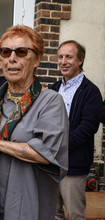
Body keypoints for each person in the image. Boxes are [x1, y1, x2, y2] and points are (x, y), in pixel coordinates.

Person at [0, 25, 69, 220]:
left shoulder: (50, 101)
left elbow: (47, 153)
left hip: (25, 202)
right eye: (5, 52)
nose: (12, 59)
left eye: (21, 52)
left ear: (36, 59)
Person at [50, 40, 102, 220]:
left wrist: (58, 145)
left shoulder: (91, 92)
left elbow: (87, 129)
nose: (63, 61)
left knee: (74, 215)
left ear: (80, 60)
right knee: (52, 213)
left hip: (74, 165)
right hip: (50, 163)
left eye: (69, 57)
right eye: (60, 57)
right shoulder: (53, 89)